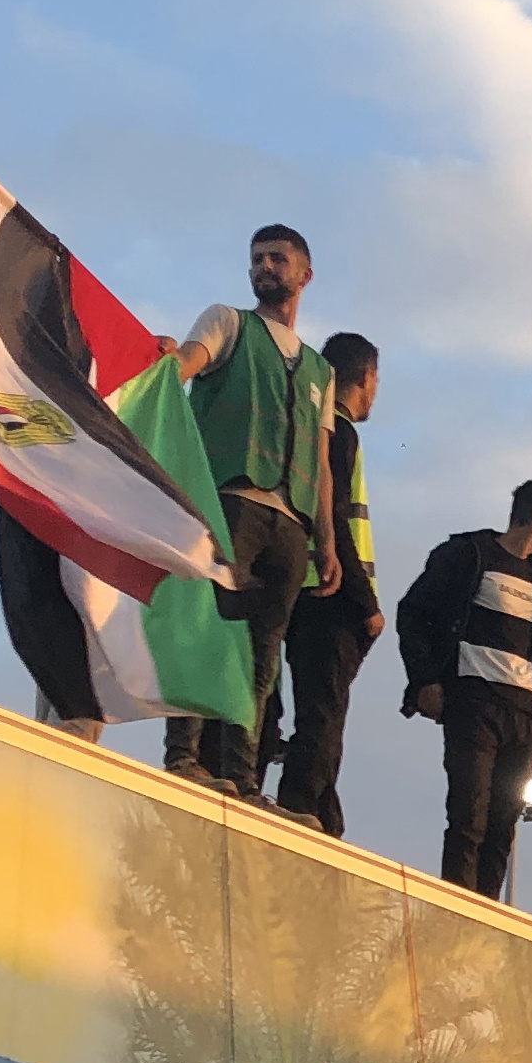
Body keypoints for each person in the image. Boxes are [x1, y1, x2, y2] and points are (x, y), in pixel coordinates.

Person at [162, 225, 340, 794]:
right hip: (230, 500)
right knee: (207, 625)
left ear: (304, 274)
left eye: (277, 259)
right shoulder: (228, 322)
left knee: (262, 658)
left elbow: (322, 463)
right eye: (257, 258)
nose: (265, 267)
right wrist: (167, 360)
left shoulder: (321, 370)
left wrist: (327, 541)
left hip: (290, 523)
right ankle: (182, 756)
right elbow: (185, 364)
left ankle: (241, 775)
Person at [399, 483, 532, 900]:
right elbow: (413, 613)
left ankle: (487, 913)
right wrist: (426, 679)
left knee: (503, 823)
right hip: (472, 705)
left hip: (522, 712)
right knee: (468, 815)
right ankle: (457, 907)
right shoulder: (468, 554)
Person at [270, 333, 382, 835]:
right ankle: (301, 813)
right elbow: (334, 517)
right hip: (331, 593)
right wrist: (366, 602)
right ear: (366, 377)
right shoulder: (338, 433)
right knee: (322, 715)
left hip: (309, 590)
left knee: (321, 715)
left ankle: (324, 815)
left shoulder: (312, 432)